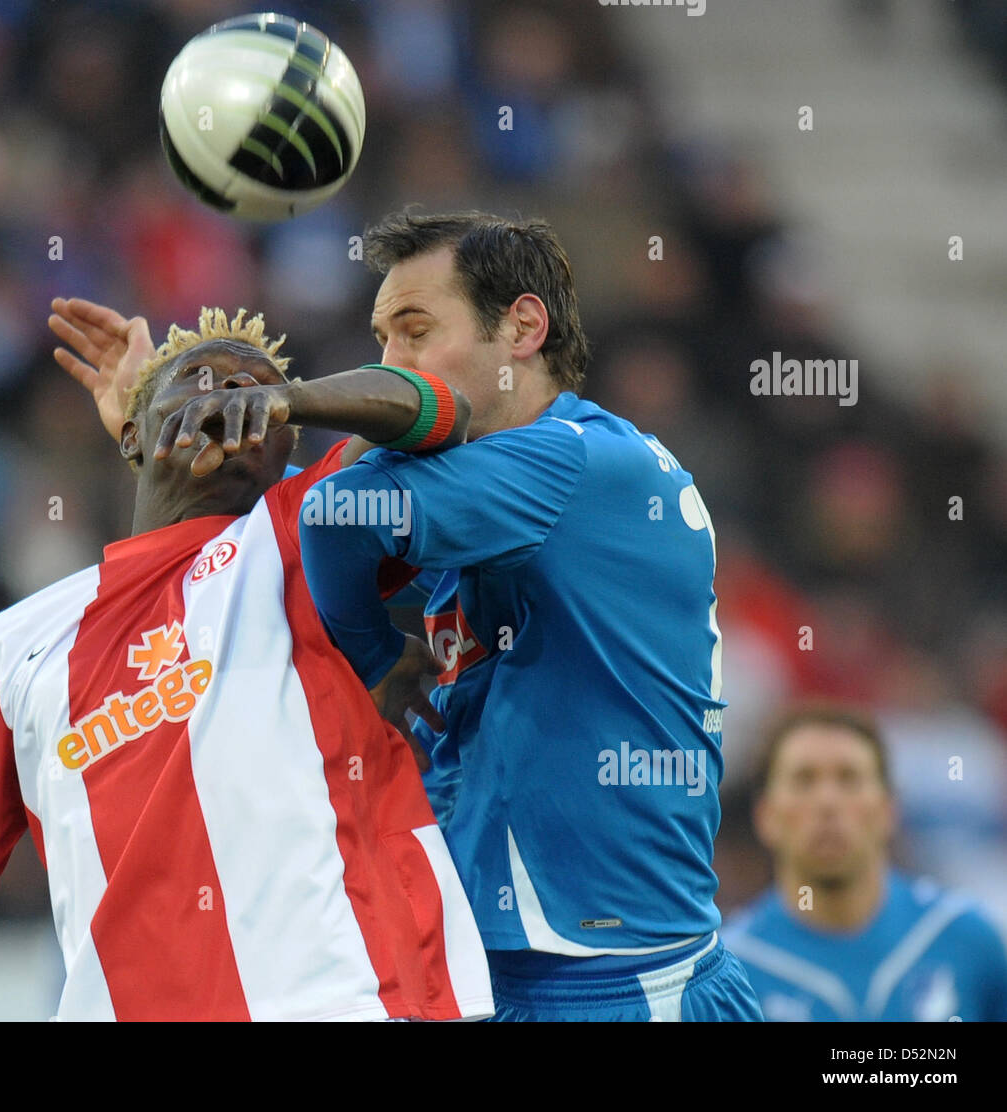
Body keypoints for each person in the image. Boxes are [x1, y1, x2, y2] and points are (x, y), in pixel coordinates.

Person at [0, 304, 494, 1022]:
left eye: (253, 391)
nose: (227, 396)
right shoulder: (7, 652)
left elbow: (441, 413)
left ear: (282, 454)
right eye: (199, 380)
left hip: (346, 1001)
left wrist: (290, 398)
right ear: (131, 432)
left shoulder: (297, 538)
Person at [296, 210, 762, 1021]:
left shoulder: (577, 462)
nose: (390, 366)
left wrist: (376, 658)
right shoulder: (478, 492)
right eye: (381, 340)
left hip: (617, 984)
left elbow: (333, 514)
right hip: (491, 974)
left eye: (415, 331)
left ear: (522, 327)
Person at [723, 702, 1007, 1021]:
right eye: (804, 780)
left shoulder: (966, 939)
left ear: (888, 809)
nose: (827, 802)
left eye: (849, 779)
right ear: (765, 816)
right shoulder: (728, 971)